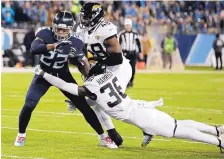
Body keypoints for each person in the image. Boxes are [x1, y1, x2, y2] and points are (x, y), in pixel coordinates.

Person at [34, 65, 224, 152]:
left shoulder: (90, 87)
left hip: (140, 116)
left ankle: (218, 141)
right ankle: (216, 130)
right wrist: (77, 103)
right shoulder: (109, 77)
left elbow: (67, 86)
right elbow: (100, 100)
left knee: (179, 131)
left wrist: (43, 73)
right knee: (178, 124)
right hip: (138, 107)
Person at [14, 11, 118, 149]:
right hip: (43, 74)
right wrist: (53, 46)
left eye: (65, 29)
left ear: (71, 29)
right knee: (29, 104)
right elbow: (33, 49)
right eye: (59, 29)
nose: (61, 32)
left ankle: (102, 137)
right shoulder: (44, 33)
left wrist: (82, 62)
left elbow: (82, 64)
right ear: (53, 26)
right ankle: (21, 134)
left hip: (62, 75)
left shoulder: (76, 41)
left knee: (83, 106)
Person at [66, 2, 153, 146]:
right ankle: (114, 136)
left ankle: (146, 127)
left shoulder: (105, 29)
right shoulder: (84, 30)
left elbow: (117, 58)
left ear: (96, 17)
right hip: (107, 69)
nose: (84, 19)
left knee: (114, 104)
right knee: (99, 101)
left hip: (119, 68)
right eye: (84, 16)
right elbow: (80, 53)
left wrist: (97, 65)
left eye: (88, 16)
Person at [118, 18, 142, 87]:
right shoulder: (121, 34)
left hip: (133, 53)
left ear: (131, 26)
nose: (128, 27)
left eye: (129, 25)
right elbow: (119, 45)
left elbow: (138, 43)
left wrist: (140, 52)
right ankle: (127, 82)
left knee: (133, 69)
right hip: (125, 53)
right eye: (127, 25)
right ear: (125, 26)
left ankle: (131, 81)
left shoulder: (135, 34)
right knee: (125, 69)